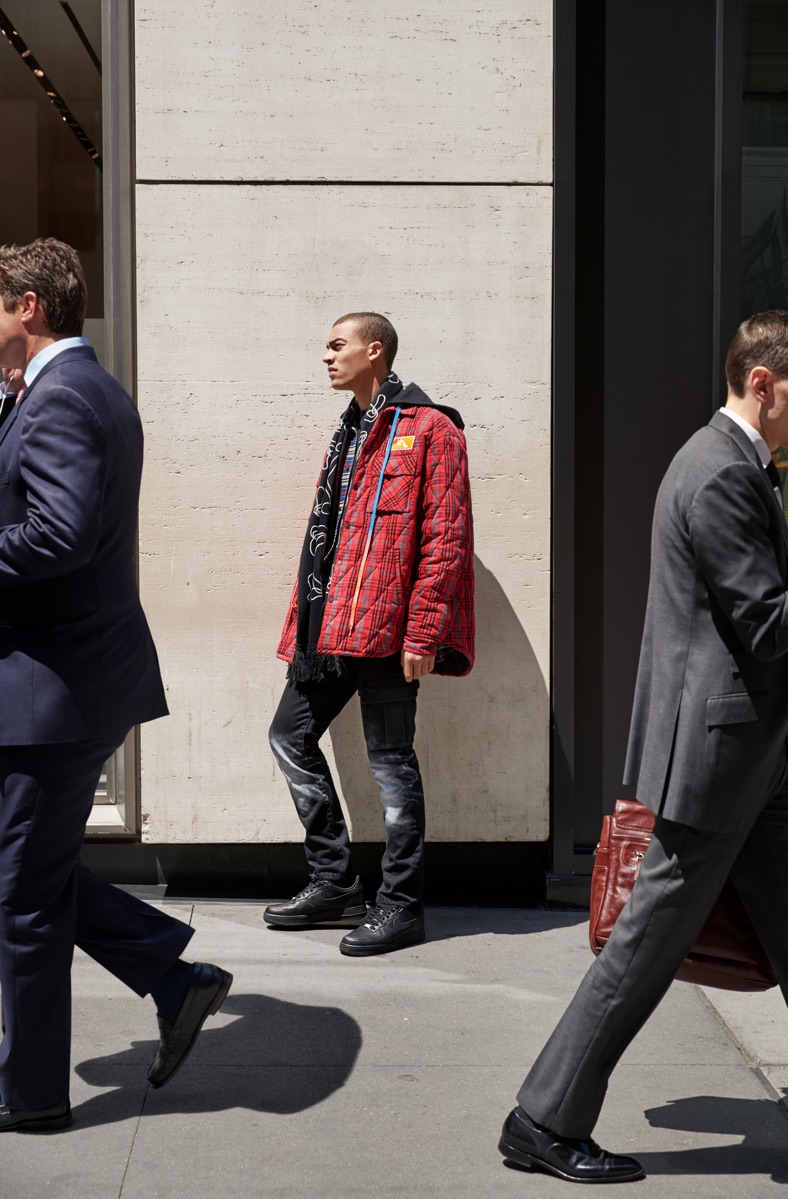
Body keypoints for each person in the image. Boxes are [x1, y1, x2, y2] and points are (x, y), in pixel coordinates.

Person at [499, 309, 788, 1183]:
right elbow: (764, 624)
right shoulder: (718, 474)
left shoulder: (740, 466)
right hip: (718, 766)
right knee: (641, 949)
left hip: (753, 761)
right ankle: (542, 1117)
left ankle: (544, 1113)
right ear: (761, 382)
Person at [0, 239, 232, 1133]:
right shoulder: (55, 392)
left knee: (22, 893)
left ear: (28, 306)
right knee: (28, 874)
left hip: (55, 692)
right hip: (57, 685)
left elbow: (55, 539)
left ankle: (33, 1097)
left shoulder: (66, 398)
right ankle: (174, 975)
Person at [264, 312, 474, 956]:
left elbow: (447, 538)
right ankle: (332, 882)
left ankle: (402, 905)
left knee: (390, 764)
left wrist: (422, 632)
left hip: (389, 634)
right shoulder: (349, 430)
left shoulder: (431, 429)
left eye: (337, 345)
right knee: (289, 736)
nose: (327, 356)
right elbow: (330, 541)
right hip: (331, 629)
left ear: (373, 349)